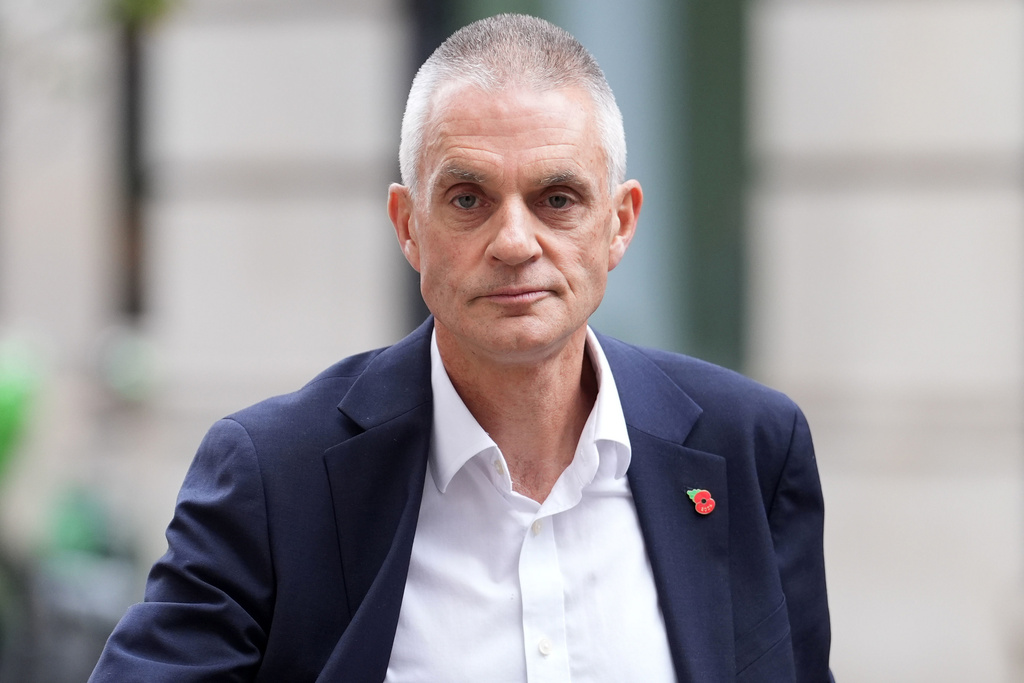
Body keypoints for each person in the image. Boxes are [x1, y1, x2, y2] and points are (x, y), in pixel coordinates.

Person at [90, 13, 833, 683]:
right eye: (469, 199)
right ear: (408, 224)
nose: (514, 242)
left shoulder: (750, 449)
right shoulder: (275, 476)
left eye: (558, 199)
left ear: (620, 223)